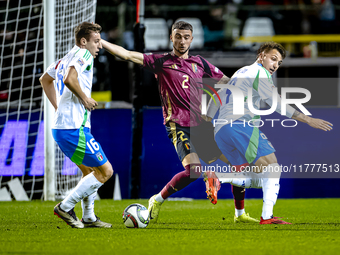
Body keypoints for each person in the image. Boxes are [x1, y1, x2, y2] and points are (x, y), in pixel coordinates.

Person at [101, 20, 257, 223]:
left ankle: (239, 214)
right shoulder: (161, 62)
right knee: (193, 172)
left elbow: (226, 81)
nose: (182, 41)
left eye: (186, 37)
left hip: (202, 125)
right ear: (171, 37)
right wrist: (102, 42)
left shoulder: (199, 63)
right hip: (178, 124)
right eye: (178, 36)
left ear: (191, 39)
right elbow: (128, 54)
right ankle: (156, 200)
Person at [206, 41, 333, 224]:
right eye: (273, 59)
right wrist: (308, 119)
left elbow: (219, 90)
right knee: (273, 168)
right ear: (262, 55)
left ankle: (220, 179)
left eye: (279, 63)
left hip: (221, 131)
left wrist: (209, 117)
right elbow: (278, 104)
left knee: (254, 175)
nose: (275, 65)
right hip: (240, 125)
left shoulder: (240, 72)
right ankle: (267, 217)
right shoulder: (260, 73)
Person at [39, 22, 113, 228]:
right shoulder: (83, 55)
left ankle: (88, 216)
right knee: (106, 172)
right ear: (83, 41)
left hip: (62, 127)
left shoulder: (64, 59)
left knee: (90, 172)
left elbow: (44, 79)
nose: (99, 46)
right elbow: (70, 79)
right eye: (96, 41)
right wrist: (85, 99)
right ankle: (65, 206)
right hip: (73, 128)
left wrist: (57, 107)